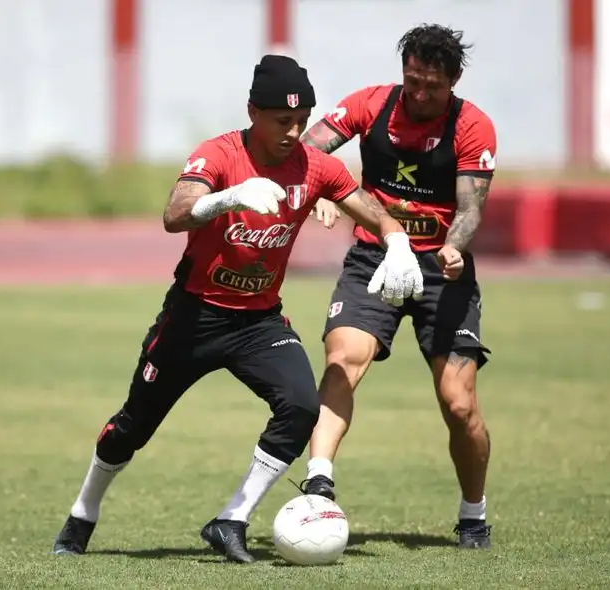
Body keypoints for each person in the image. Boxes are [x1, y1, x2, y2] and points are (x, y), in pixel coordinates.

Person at [50, 55, 423, 564]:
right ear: (252, 111)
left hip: (259, 322)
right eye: (281, 120)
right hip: (194, 316)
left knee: (301, 407)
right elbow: (174, 214)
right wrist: (227, 198)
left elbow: (370, 209)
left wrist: (397, 240)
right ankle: (82, 513)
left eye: (301, 120)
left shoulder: (317, 166)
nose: (294, 131)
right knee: (131, 427)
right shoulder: (219, 154)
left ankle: (231, 520)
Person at [297, 24, 498, 549]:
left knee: (458, 403)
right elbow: (306, 147)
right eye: (412, 81)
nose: (419, 93)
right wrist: (321, 185)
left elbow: (472, 204)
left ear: (453, 81)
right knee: (342, 359)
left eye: (431, 85)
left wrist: (455, 246)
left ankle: (472, 514)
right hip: (374, 256)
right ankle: (319, 486)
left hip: (440, 268)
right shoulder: (371, 104)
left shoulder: (472, 125)